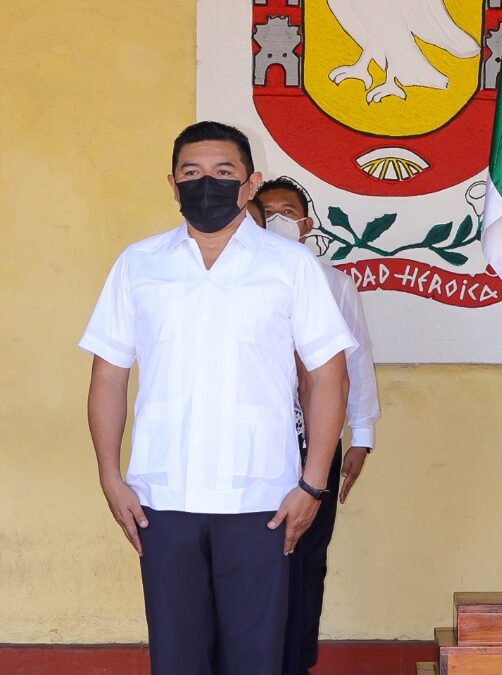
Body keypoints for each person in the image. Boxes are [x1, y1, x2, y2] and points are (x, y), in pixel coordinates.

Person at [79, 121, 356, 675]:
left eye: (224, 172)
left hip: (263, 502)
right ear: (173, 184)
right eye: (192, 173)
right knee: (177, 660)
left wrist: (312, 485)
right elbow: (108, 376)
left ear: (250, 183)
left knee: (257, 660)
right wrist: (110, 476)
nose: (207, 184)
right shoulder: (139, 264)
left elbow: (329, 377)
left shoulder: (291, 267)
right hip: (163, 500)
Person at [255, 176, 381, 675]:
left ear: (307, 224)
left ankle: (297, 662)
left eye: (288, 213)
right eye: (268, 212)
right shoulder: (236, 281)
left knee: (307, 558)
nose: (278, 221)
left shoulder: (334, 284)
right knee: (257, 559)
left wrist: (362, 435)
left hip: (317, 446)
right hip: (257, 445)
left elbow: (357, 362)